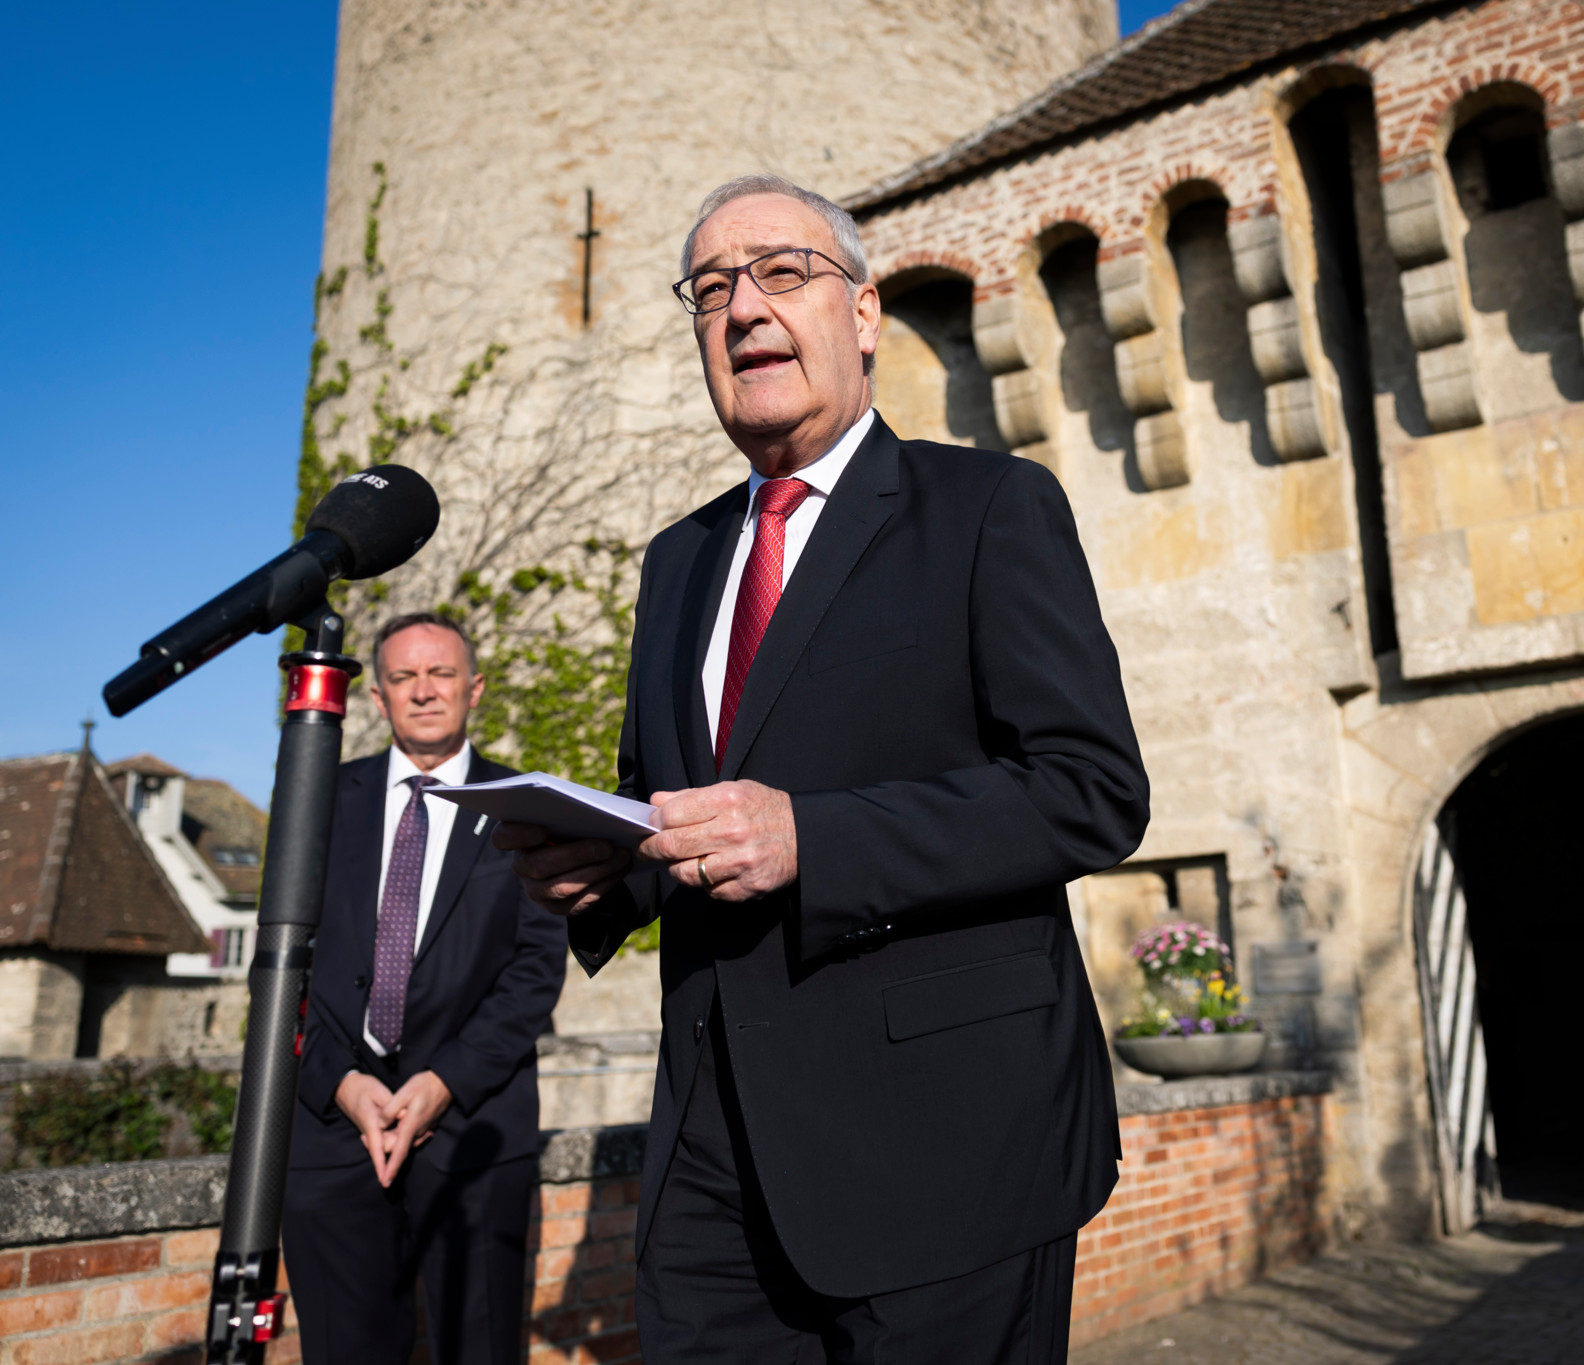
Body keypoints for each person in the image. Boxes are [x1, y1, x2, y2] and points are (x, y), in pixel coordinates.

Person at [499, 173, 1149, 1364]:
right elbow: (670, 804)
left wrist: (815, 839)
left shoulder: (988, 506)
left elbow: (1089, 792)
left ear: (862, 314)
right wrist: (605, 874)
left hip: (948, 1146)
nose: (742, 307)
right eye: (710, 289)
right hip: (713, 1159)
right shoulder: (676, 562)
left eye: (781, 273)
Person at [285, 612, 567, 1365]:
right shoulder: (318, 796)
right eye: (403, 677)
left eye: (441, 673)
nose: (423, 691)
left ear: (474, 687)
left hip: (473, 1127)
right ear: (378, 697)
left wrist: (444, 1081)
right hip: (333, 1130)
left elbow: (536, 971)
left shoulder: (529, 804)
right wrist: (341, 1083)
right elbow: (281, 965)